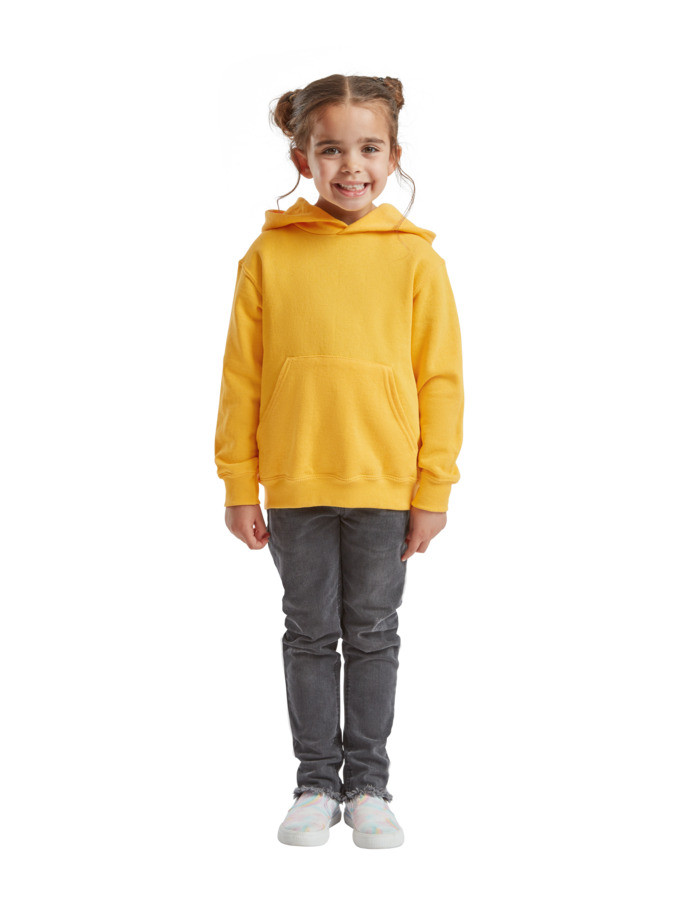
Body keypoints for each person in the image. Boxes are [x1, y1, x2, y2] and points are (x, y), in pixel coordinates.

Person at [214, 73, 464, 849]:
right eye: (330, 150)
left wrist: (432, 489)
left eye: (368, 148)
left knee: (374, 634)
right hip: (295, 484)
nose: (350, 166)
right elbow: (241, 377)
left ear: (393, 156)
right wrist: (238, 484)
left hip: (385, 486)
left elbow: (440, 380)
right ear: (302, 159)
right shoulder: (267, 255)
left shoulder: (416, 261)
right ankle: (316, 785)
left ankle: (369, 789)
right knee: (307, 633)